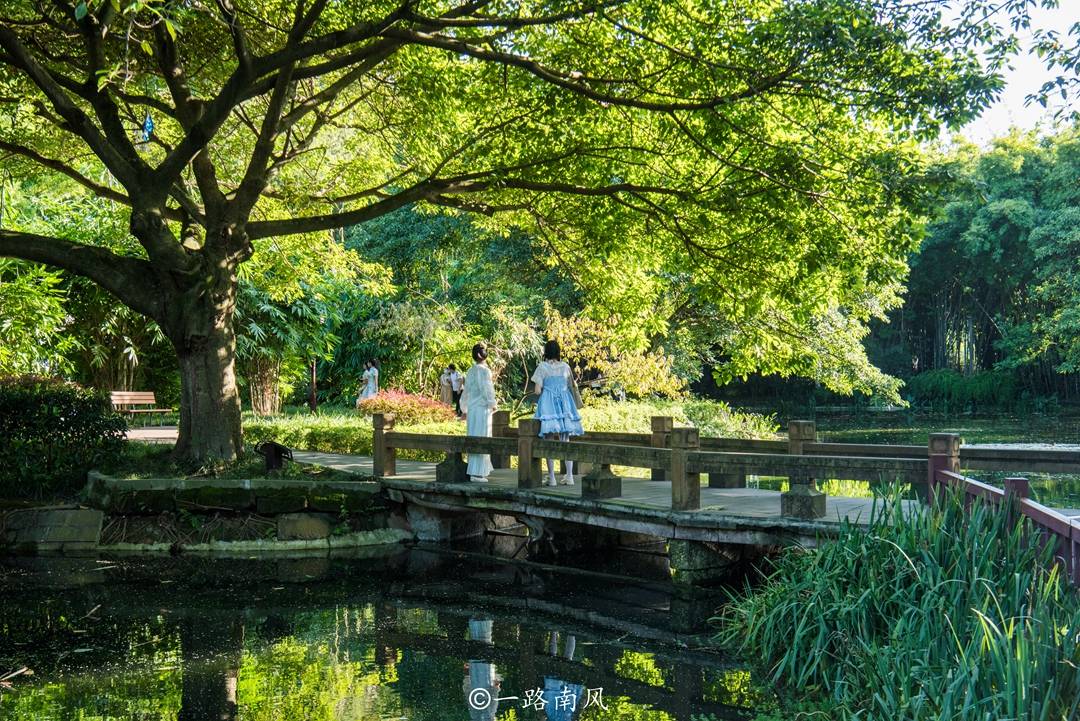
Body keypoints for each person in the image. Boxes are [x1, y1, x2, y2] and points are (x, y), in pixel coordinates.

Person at [532, 340, 583, 487]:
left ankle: (552, 478)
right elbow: (569, 385)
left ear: (546, 351)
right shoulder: (565, 367)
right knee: (565, 440)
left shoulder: (542, 367)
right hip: (565, 403)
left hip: (548, 403)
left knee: (548, 440)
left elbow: (537, 390)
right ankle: (569, 476)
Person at [461, 344, 497, 482]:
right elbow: (486, 389)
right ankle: (478, 473)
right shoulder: (485, 371)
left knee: (474, 435)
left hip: (473, 408)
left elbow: (466, 392)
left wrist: (464, 409)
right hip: (482, 408)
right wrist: (492, 403)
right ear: (483, 355)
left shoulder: (470, 371)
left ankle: (476, 471)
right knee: (482, 436)